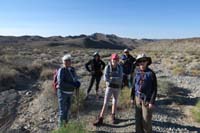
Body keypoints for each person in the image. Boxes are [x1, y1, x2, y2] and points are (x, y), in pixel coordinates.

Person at [93, 53, 123, 125]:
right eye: (113, 59)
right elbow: (105, 78)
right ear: (111, 59)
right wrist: (115, 79)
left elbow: (121, 77)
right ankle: (101, 118)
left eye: (116, 59)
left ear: (118, 60)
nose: (114, 61)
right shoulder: (107, 67)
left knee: (115, 101)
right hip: (109, 87)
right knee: (105, 103)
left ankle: (113, 116)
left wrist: (112, 79)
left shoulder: (120, 67)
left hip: (116, 87)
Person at [131, 53, 157, 133]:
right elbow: (133, 86)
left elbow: (154, 88)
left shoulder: (151, 73)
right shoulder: (136, 72)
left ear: (147, 62)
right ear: (138, 63)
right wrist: (132, 98)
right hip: (137, 98)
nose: (142, 63)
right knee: (137, 118)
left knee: (146, 119)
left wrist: (152, 102)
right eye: (140, 61)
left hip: (147, 99)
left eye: (144, 61)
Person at [57, 54, 81, 127]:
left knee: (67, 110)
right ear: (63, 62)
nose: (67, 62)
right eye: (65, 61)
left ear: (70, 61)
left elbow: (75, 78)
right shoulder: (61, 70)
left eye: (68, 60)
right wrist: (73, 85)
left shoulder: (72, 69)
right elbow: (60, 83)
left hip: (70, 93)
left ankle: (65, 125)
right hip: (62, 93)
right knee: (62, 111)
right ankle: (61, 128)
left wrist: (77, 83)